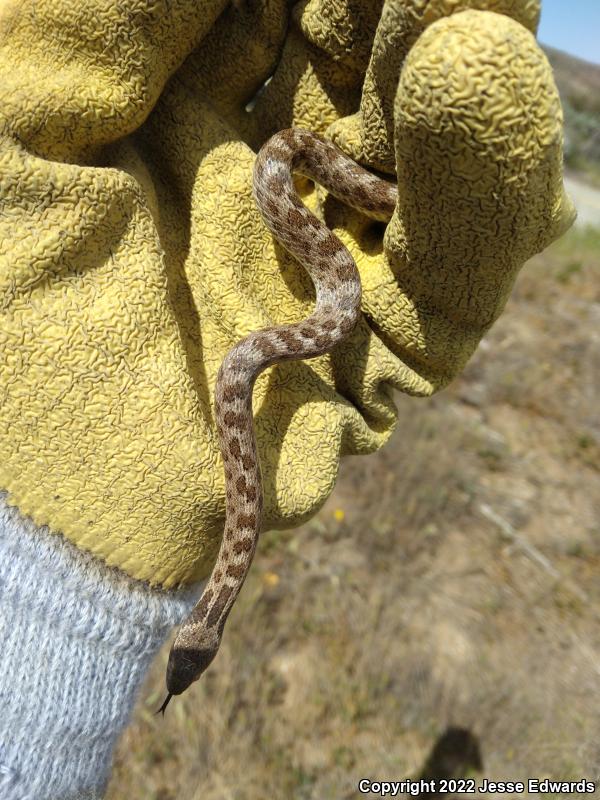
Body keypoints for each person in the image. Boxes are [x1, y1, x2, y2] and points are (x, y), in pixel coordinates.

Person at [0, 0, 574, 797]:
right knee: (287, 236)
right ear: (200, 633)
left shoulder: (220, 574)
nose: (184, 663)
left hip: (300, 171)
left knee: (289, 211)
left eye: (184, 658)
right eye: (188, 658)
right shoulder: (218, 574)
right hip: (297, 183)